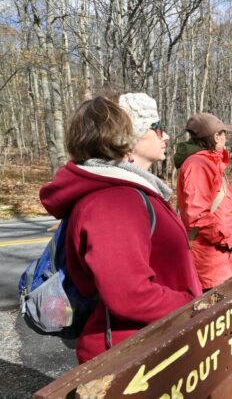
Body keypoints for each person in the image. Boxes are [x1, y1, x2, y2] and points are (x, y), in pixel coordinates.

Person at [39, 93, 203, 364]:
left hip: (155, 342)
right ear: (129, 138)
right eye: (156, 127)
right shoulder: (113, 201)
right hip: (131, 356)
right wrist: (194, 305)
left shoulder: (128, 192)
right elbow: (130, 295)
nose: (166, 136)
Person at [174, 113, 232, 372]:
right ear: (212, 137)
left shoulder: (211, 162)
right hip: (209, 253)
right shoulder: (198, 165)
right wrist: (226, 238)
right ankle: (217, 361)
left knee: (221, 305)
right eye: (221, 133)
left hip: (218, 253)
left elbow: (215, 206)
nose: (225, 137)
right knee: (214, 307)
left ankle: (223, 356)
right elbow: (196, 215)